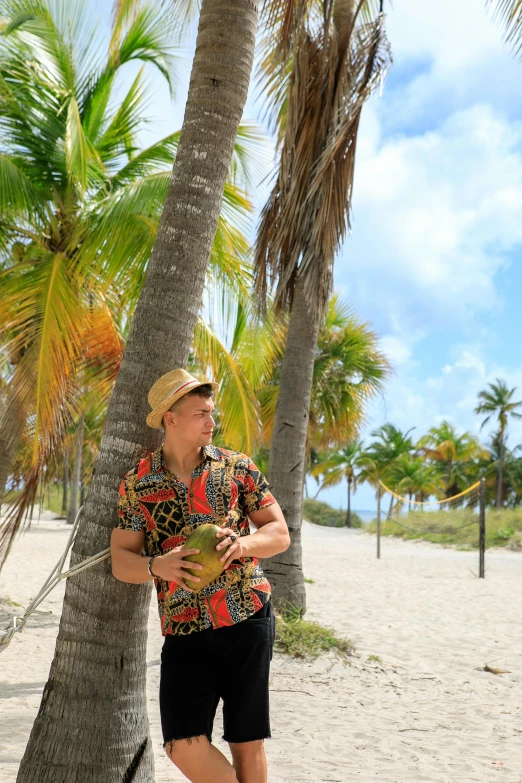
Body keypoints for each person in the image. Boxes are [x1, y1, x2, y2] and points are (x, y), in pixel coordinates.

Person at [110, 368, 290, 783]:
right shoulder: (138, 482)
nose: (212, 422)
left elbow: (278, 533)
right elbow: (122, 560)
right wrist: (159, 565)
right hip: (183, 626)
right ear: (170, 419)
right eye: (201, 413)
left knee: (247, 739)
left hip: (246, 613)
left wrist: (241, 546)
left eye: (212, 413)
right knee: (182, 744)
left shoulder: (237, 468)